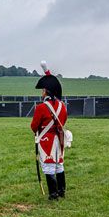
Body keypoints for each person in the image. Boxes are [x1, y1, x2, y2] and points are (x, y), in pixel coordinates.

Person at [30, 64, 67, 200]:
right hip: (59, 140)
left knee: (48, 166)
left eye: (43, 90)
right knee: (59, 165)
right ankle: (61, 191)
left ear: (46, 92)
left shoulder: (41, 107)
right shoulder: (62, 106)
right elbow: (63, 121)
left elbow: (34, 127)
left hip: (47, 140)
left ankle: (53, 194)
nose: (42, 92)